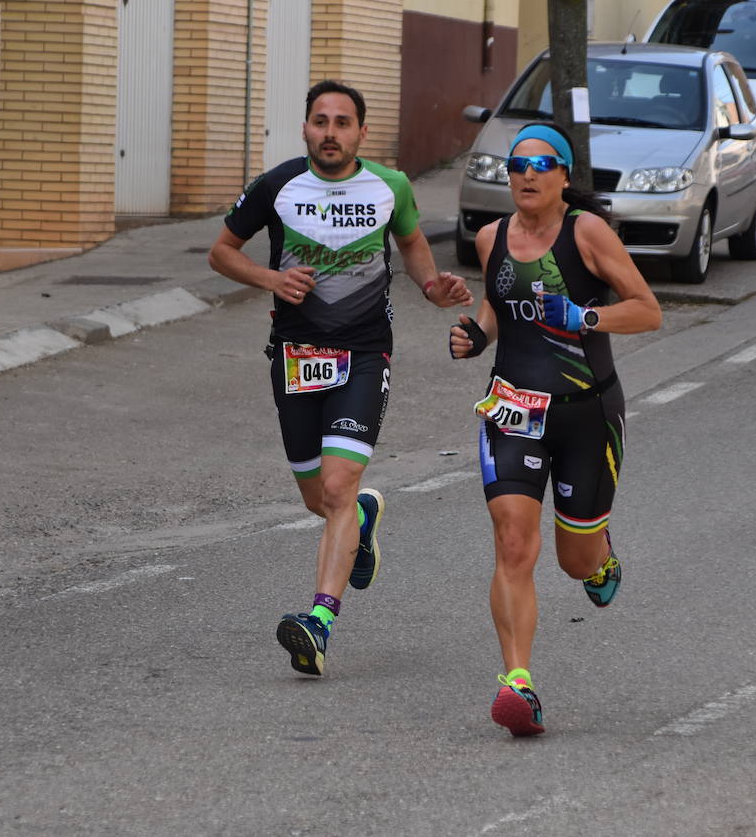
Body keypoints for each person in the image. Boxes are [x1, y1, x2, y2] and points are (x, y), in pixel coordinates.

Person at [209, 79, 472, 676]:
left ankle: (319, 622)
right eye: (320, 121)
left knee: (336, 489)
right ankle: (363, 519)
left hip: (363, 355)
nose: (331, 132)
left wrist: (436, 290)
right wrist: (271, 280)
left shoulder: (391, 187)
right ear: (305, 129)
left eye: (343, 122)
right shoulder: (277, 185)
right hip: (295, 358)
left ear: (360, 132)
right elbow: (222, 252)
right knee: (320, 499)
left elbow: (413, 251)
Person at [448, 122, 661, 735]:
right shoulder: (491, 237)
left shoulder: (586, 232)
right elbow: (497, 305)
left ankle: (600, 563)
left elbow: (647, 310)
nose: (528, 175)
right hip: (513, 408)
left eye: (543, 164)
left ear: (566, 176)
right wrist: (476, 335)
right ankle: (518, 682)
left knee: (572, 559)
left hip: (586, 412)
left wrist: (585, 315)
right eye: (518, 165)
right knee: (514, 542)